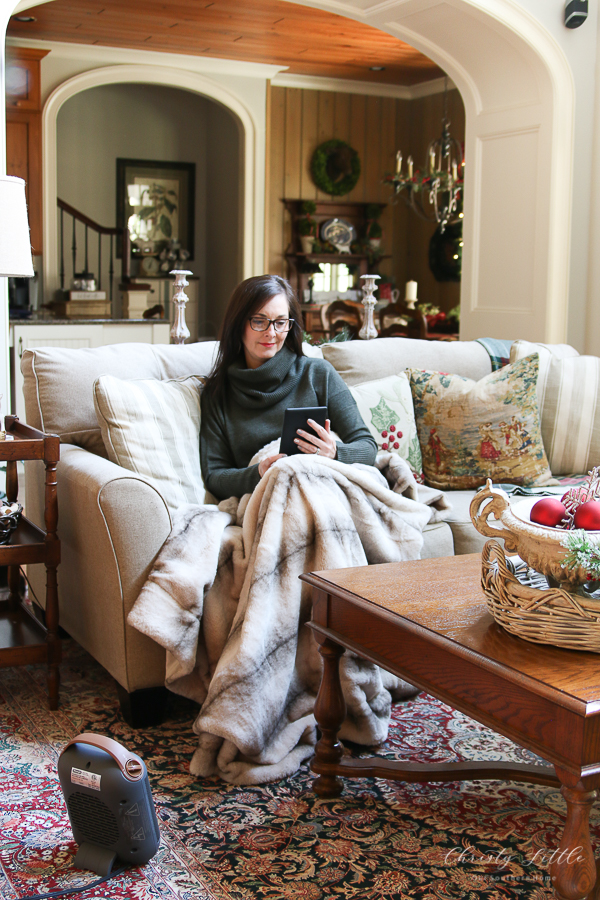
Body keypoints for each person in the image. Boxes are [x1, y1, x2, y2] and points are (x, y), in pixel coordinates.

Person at [200, 274, 377, 501]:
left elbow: (368, 448)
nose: (271, 333)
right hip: (268, 499)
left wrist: (334, 452)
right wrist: (259, 473)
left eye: (280, 322)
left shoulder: (318, 374)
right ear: (238, 324)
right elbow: (215, 476)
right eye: (259, 321)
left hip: (325, 493)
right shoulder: (218, 394)